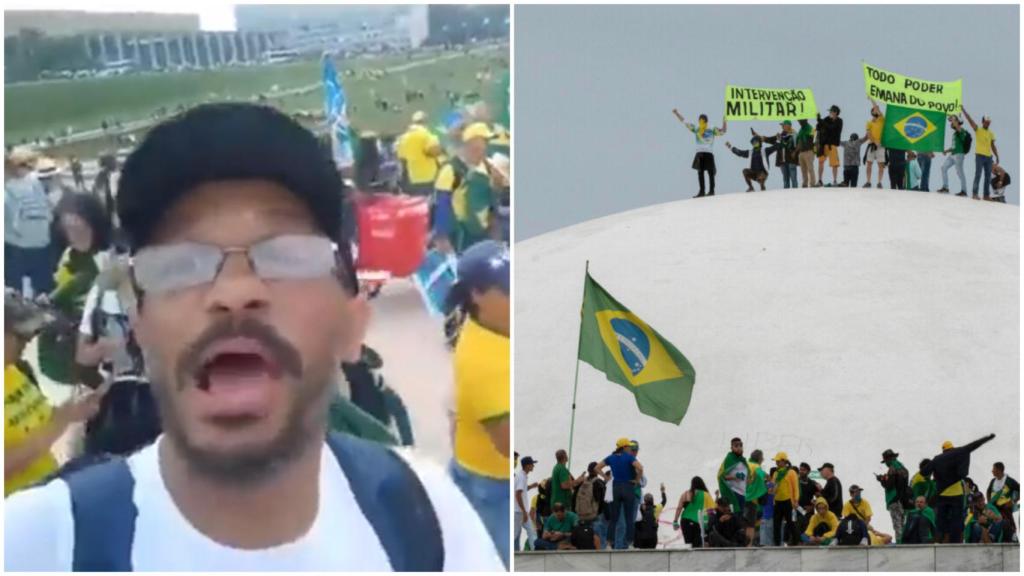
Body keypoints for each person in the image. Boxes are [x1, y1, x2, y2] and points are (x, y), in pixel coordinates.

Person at [4, 103, 503, 571]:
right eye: (182, 264)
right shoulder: (39, 545)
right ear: (142, 331)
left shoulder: (428, 516)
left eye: (285, 255)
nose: (234, 291)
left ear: (352, 326)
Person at [445, 239, 511, 567]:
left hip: (472, 466)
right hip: (494, 487)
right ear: (478, 295)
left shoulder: (495, 325)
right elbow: (509, 444)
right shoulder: (486, 363)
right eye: (507, 288)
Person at [5, 291, 109, 496]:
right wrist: (59, 422)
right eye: (21, 335)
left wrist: (74, 411)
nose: (28, 342)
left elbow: (34, 423)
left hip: (44, 494)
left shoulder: (15, 370)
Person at [38, 193, 113, 386]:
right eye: (68, 230)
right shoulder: (69, 259)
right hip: (82, 346)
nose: (74, 236)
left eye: (80, 228)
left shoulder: (113, 254)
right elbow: (62, 296)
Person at [433, 122, 507, 255]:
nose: (484, 147)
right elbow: (442, 205)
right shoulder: (450, 170)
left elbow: (492, 199)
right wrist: (442, 237)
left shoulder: (488, 166)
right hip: (462, 235)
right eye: (481, 142)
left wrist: (498, 186)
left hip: (485, 232)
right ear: (469, 144)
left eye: (486, 142)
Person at [923, 434, 996, 544]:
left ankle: (940, 540)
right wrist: (989, 437)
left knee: (941, 520)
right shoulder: (959, 453)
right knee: (957, 519)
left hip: (942, 494)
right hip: (956, 493)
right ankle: (956, 541)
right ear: (952, 448)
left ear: (943, 451)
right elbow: (976, 444)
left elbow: (924, 472)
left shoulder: (937, 459)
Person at [5, 149, 54, 295]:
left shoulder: (10, 188)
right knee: (42, 293)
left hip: (16, 249)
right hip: (41, 246)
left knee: (15, 295)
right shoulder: (35, 183)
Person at [596, 438, 643, 549]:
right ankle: (630, 543)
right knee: (629, 518)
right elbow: (640, 468)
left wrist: (605, 477)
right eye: (628, 447)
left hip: (615, 487)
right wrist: (636, 480)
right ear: (625, 447)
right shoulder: (629, 457)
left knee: (614, 518)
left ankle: (608, 544)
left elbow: (596, 467)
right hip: (628, 487)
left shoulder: (611, 457)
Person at [672, 109, 726, 198]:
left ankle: (711, 191)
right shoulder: (697, 128)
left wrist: (724, 121)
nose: (701, 121)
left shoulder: (712, 128)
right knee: (700, 173)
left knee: (710, 172)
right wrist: (677, 113)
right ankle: (702, 191)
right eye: (700, 120)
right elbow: (684, 122)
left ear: (706, 121)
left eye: (702, 120)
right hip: (699, 153)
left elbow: (723, 131)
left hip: (708, 152)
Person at [396, 110, 442, 197]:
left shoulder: (403, 138)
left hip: (412, 178)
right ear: (425, 122)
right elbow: (434, 151)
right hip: (429, 177)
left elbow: (401, 158)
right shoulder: (428, 135)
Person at [962, 108, 999, 200]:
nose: (987, 123)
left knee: (988, 176)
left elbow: (993, 145)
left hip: (989, 157)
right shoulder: (978, 129)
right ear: (983, 122)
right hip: (979, 156)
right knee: (978, 174)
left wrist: (997, 155)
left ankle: (986, 195)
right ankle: (975, 193)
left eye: (989, 122)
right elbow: (970, 121)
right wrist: (963, 110)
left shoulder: (991, 133)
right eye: (986, 122)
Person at [877, 448, 910, 544]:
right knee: (902, 524)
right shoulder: (902, 467)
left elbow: (889, 485)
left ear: (888, 459)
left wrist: (881, 480)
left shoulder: (892, 469)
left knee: (897, 525)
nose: (886, 463)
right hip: (902, 500)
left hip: (894, 499)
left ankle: (900, 544)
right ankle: (905, 543)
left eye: (886, 461)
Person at [672, 476, 715, 548]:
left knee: (688, 545)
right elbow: (712, 510)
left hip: (685, 521)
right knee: (697, 545)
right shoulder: (706, 495)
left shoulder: (685, 494)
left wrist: (675, 521)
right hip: (698, 522)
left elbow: (679, 508)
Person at [717, 438, 750, 526]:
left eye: (740, 445)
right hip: (733, 494)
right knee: (734, 519)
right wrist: (736, 476)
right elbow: (722, 476)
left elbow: (747, 477)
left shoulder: (742, 460)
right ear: (731, 448)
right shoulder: (729, 459)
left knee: (741, 520)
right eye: (736, 446)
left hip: (742, 493)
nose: (739, 447)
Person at [574, 462, 608, 548]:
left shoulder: (582, 482)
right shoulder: (599, 482)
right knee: (600, 536)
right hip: (595, 515)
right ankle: (601, 554)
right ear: (597, 471)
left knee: (585, 535)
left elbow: (574, 497)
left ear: (588, 471)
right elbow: (603, 499)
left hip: (582, 515)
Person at [759, 121, 799, 189]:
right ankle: (787, 196)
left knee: (793, 179)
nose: (782, 126)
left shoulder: (794, 135)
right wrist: (761, 138)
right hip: (782, 161)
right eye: (782, 125)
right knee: (785, 180)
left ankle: (796, 195)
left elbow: (794, 145)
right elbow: (770, 139)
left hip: (791, 160)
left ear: (789, 125)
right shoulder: (780, 135)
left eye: (783, 125)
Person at [771, 452, 800, 546]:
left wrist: (796, 500)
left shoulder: (791, 472)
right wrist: (771, 489)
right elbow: (773, 488)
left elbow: (796, 487)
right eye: (776, 461)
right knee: (776, 524)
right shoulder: (775, 473)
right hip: (777, 502)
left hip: (788, 502)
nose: (776, 463)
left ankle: (795, 542)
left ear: (784, 461)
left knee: (791, 523)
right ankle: (777, 543)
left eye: (778, 461)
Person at [986, 462, 1019, 540]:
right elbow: (988, 491)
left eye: (993, 469)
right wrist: (989, 503)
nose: (992, 471)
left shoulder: (1010, 481)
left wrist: (1013, 502)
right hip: (994, 510)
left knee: (1007, 526)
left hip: (1005, 510)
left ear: (999, 470)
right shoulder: (993, 481)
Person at [938, 116, 970, 195]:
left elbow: (957, 126)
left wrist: (954, 118)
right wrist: (946, 151)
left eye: (953, 122)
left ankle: (964, 191)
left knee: (960, 172)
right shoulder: (955, 134)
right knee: (943, 167)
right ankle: (945, 187)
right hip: (953, 154)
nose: (951, 124)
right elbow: (954, 147)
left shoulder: (961, 130)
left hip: (959, 155)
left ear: (957, 122)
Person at [745, 449, 768, 547]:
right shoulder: (756, 466)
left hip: (741, 498)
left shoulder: (746, 464)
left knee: (744, 523)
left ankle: (743, 544)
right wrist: (767, 477)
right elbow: (761, 475)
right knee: (750, 524)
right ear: (759, 458)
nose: (763, 459)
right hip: (751, 499)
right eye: (762, 458)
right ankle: (748, 545)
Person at [815, 106, 843, 187]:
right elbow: (818, 127)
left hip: (833, 145)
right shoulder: (827, 119)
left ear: (835, 112)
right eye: (830, 111)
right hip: (824, 144)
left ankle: (834, 181)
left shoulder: (839, 121)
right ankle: (820, 180)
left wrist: (821, 121)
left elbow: (831, 128)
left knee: (834, 164)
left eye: (831, 111)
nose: (830, 113)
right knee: (820, 162)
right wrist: (818, 120)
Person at [633, 484, 667, 549]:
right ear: (652, 500)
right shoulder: (656, 508)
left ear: (644, 501)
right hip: (653, 537)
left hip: (641, 538)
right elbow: (664, 501)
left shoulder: (640, 509)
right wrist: (663, 491)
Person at [515, 456, 539, 551]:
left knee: (531, 531)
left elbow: (521, 490)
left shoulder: (521, 476)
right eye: (532, 464)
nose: (533, 466)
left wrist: (531, 486)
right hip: (519, 512)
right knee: (515, 534)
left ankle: (534, 550)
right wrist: (524, 511)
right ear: (527, 466)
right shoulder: (522, 477)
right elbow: (518, 494)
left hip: (519, 511)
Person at [863, 99, 886, 189]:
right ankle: (868, 181)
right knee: (869, 163)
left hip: (881, 146)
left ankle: (879, 182)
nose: (877, 110)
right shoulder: (869, 123)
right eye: (875, 110)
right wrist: (874, 141)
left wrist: (872, 100)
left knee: (881, 165)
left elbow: (877, 108)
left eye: (877, 109)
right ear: (872, 112)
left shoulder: (881, 119)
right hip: (872, 145)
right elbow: (868, 134)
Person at [796, 462, 820, 536]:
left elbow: (820, 499)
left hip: (808, 513)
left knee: (808, 534)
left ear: (808, 472)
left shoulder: (813, 483)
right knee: (796, 533)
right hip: (796, 511)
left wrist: (812, 506)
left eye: (803, 470)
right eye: (800, 469)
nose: (801, 471)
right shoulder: (795, 482)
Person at [794, 119, 816, 188]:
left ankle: (812, 183)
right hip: (801, 152)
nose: (799, 122)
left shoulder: (810, 128)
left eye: (800, 121)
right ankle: (805, 183)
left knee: (810, 168)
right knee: (803, 169)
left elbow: (813, 138)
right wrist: (796, 151)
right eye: (799, 121)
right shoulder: (801, 130)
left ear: (805, 120)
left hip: (808, 151)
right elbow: (799, 141)